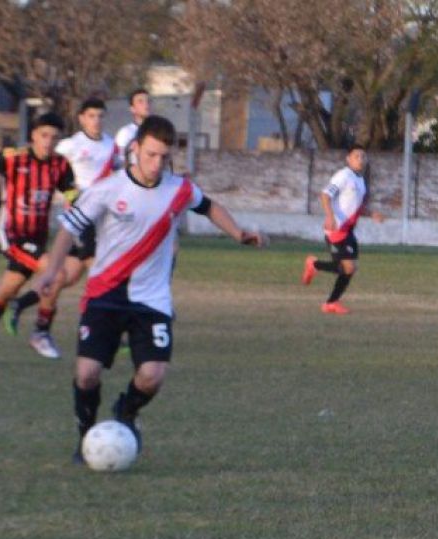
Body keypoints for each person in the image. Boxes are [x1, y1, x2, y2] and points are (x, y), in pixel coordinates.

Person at [31, 115, 266, 463]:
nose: (157, 164)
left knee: (152, 376)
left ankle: (125, 410)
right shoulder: (107, 189)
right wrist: (52, 270)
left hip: (151, 299)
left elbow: (210, 206)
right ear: (135, 149)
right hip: (105, 294)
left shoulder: (179, 189)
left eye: (164, 157)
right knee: (86, 373)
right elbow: (68, 229)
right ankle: (86, 437)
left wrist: (238, 233)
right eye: (151, 154)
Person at [0, 112, 75, 368]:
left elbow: (71, 193)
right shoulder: (14, 158)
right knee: (55, 275)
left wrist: (78, 208)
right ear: (33, 136)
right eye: (44, 135)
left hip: (37, 238)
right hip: (12, 234)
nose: (48, 142)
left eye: (54, 137)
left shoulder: (60, 164)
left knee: (8, 288)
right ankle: (41, 332)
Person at [6, 98, 120, 335]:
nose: (96, 121)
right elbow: (41, 157)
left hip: (101, 218)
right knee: (103, 270)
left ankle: (21, 303)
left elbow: (118, 173)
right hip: (80, 218)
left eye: (100, 116)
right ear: (81, 118)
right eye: (91, 116)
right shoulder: (70, 144)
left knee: (65, 277)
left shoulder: (111, 145)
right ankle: (107, 330)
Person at [301, 144, 384, 314]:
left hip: (349, 231)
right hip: (336, 230)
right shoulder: (343, 175)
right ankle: (314, 266)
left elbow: (356, 207)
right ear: (349, 159)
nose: (361, 159)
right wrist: (330, 216)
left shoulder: (360, 181)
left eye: (363, 156)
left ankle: (331, 301)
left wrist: (371, 214)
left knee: (350, 268)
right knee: (347, 267)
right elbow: (325, 195)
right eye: (356, 156)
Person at [114, 88, 150, 164]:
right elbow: (119, 159)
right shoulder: (126, 133)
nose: (146, 105)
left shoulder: (157, 130)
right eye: (140, 101)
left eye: (148, 101)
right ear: (132, 109)